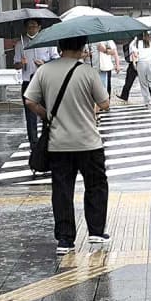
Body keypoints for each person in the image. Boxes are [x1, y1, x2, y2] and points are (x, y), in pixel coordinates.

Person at [23, 36, 111, 255]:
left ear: (59, 47)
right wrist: (92, 110)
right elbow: (105, 103)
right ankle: (96, 231)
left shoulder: (45, 71)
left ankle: (65, 239)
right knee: (96, 185)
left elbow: (30, 101)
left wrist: (48, 115)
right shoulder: (88, 72)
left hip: (58, 143)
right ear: (82, 47)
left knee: (62, 190)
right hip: (88, 143)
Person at [13, 19, 59, 148]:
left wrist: (44, 64)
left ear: (39, 27)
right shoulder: (20, 44)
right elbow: (16, 65)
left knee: (48, 111)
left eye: (34, 26)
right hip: (28, 82)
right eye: (29, 26)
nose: (32, 29)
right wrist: (21, 63)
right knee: (30, 114)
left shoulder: (48, 42)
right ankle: (33, 143)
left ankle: (48, 139)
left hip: (44, 82)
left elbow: (56, 60)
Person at [129, 31, 151, 108]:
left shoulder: (135, 42)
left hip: (141, 63)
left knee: (144, 84)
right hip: (150, 62)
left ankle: (148, 101)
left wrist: (134, 64)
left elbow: (133, 53)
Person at [115, 38, 138, 102]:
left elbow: (133, 54)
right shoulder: (141, 41)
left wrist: (134, 64)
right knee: (146, 82)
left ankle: (124, 96)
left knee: (128, 81)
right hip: (141, 63)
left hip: (134, 63)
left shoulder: (133, 43)